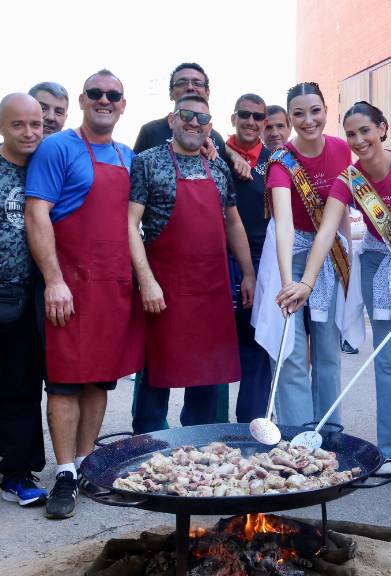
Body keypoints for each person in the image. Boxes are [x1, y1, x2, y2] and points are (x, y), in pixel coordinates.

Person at [276, 101, 391, 476]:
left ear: (382, 129)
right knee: (386, 359)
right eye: (351, 134)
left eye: (365, 131)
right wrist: (306, 281)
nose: (358, 140)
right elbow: (326, 232)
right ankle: (389, 451)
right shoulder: (348, 179)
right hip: (376, 267)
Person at [25, 70, 144, 519]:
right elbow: (38, 215)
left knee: (99, 378)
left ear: (122, 104)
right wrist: (54, 280)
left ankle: (88, 464)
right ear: (82, 100)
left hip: (112, 289)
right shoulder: (58, 148)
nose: (104, 100)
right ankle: (64, 473)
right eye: (95, 93)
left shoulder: (127, 155)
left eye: (113, 95)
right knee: (64, 381)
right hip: (69, 287)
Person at [128, 95, 254, 433]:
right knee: (158, 372)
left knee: (208, 376)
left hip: (211, 288)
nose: (193, 123)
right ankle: (147, 444)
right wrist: (147, 281)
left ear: (210, 127)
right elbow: (129, 223)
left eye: (202, 118)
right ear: (172, 119)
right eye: (186, 115)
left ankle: (201, 446)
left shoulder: (217, 166)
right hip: (166, 287)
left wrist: (249, 274)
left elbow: (233, 223)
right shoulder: (147, 162)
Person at [253, 82, 353, 429]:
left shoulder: (341, 150)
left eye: (315, 111)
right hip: (289, 254)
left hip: (328, 255)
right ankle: (297, 434)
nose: (308, 120)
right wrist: (286, 284)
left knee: (327, 348)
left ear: (326, 110)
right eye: (299, 113)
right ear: (290, 118)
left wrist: (349, 264)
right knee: (291, 351)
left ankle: (329, 429)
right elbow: (283, 226)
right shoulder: (282, 161)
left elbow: (339, 217)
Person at [0, 94, 47, 507]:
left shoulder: (45, 164)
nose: (30, 132)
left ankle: (17, 472)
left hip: (29, 294)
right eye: (19, 125)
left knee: (23, 385)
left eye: (36, 124)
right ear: (3, 126)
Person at [225, 93, 273, 422]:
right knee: (211, 347)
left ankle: (251, 427)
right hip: (215, 259)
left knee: (256, 346)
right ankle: (202, 429)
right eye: (245, 115)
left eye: (258, 117)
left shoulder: (275, 163)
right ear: (234, 118)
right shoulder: (211, 153)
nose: (251, 122)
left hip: (258, 262)